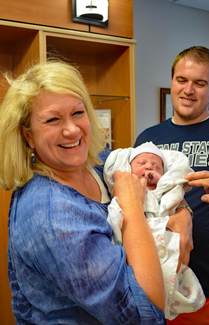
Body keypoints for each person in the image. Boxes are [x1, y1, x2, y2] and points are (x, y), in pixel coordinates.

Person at [0, 60, 167, 324]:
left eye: (78, 113)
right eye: (53, 119)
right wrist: (132, 208)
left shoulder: (98, 161)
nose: (72, 130)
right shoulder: (52, 214)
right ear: (28, 135)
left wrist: (181, 211)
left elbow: (160, 180)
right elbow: (143, 312)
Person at [134, 46, 209, 325]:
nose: (188, 90)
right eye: (182, 80)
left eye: (200, 83)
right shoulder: (148, 140)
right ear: (172, 80)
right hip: (159, 282)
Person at [104, 142, 205, 320]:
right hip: (136, 237)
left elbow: (173, 197)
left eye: (156, 165)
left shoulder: (164, 189)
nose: (149, 166)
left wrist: (164, 186)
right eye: (141, 163)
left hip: (166, 232)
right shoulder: (127, 186)